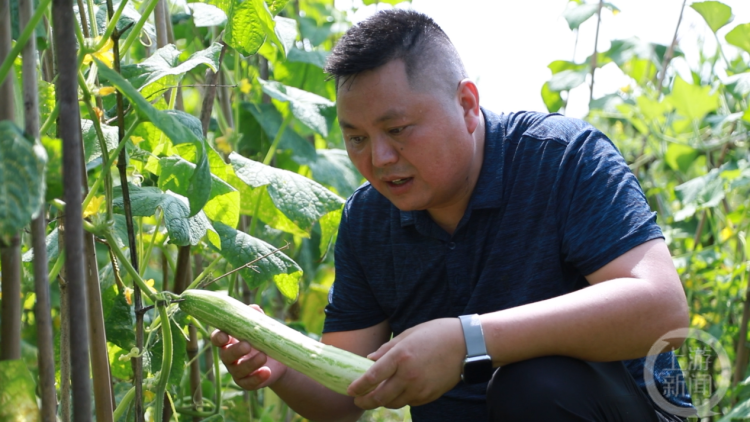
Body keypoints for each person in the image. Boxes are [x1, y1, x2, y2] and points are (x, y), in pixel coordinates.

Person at [211, 9, 694, 422]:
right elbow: (346, 390)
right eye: (356, 138)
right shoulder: (368, 219)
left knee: (532, 385)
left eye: (397, 129)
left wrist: (469, 340)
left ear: (466, 104)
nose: (377, 158)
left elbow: (661, 309)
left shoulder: (562, 156)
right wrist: (279, 366)